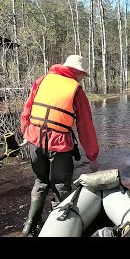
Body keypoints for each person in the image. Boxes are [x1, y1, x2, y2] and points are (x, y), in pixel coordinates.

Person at [20, 54, 100, 237]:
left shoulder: (41, 81)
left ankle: (29, 226)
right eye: (82, 75)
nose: (82, 78)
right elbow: (86, 127)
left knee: (40, 182)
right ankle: (61, 229)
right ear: (77, 72)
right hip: (59, 145)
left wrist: (26, 133)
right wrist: (92, 157)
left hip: (34, 141)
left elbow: (27, 110)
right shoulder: (76, 90)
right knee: (61, 186)